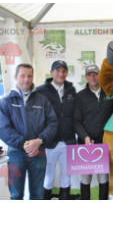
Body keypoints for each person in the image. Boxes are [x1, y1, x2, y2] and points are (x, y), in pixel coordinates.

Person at [0, 64, 58, 200]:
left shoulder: (42, 100)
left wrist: (40, 140)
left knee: (38, 194)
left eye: (29, 76)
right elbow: (3, 128)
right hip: (16, 154)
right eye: (22, 75)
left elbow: (53, 122)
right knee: (16, 195)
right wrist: (25, 144)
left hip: (39, 152)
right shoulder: (6, 102)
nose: (26, 79)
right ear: (15, 77)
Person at [73, 65, 113, 200]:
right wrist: (85, 137)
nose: (93, 77)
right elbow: (76, 121)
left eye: (95, 74)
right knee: (85, 179)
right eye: (89, 74)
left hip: (104, 144)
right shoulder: (80, 96)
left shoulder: (110, 93)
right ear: (86, 77)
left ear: (100, 75)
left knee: (103, 178)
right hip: (85, 145)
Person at [36, 61, 76, 200]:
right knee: (48, 178)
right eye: (57, 70)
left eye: (63, 71)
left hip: (68, 141)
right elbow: (35, 118)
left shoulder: (72, 90)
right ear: (51, 72)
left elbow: (76, 115)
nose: (61, 74)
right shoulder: (40, 91)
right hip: (49, 142)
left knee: (66, 178)